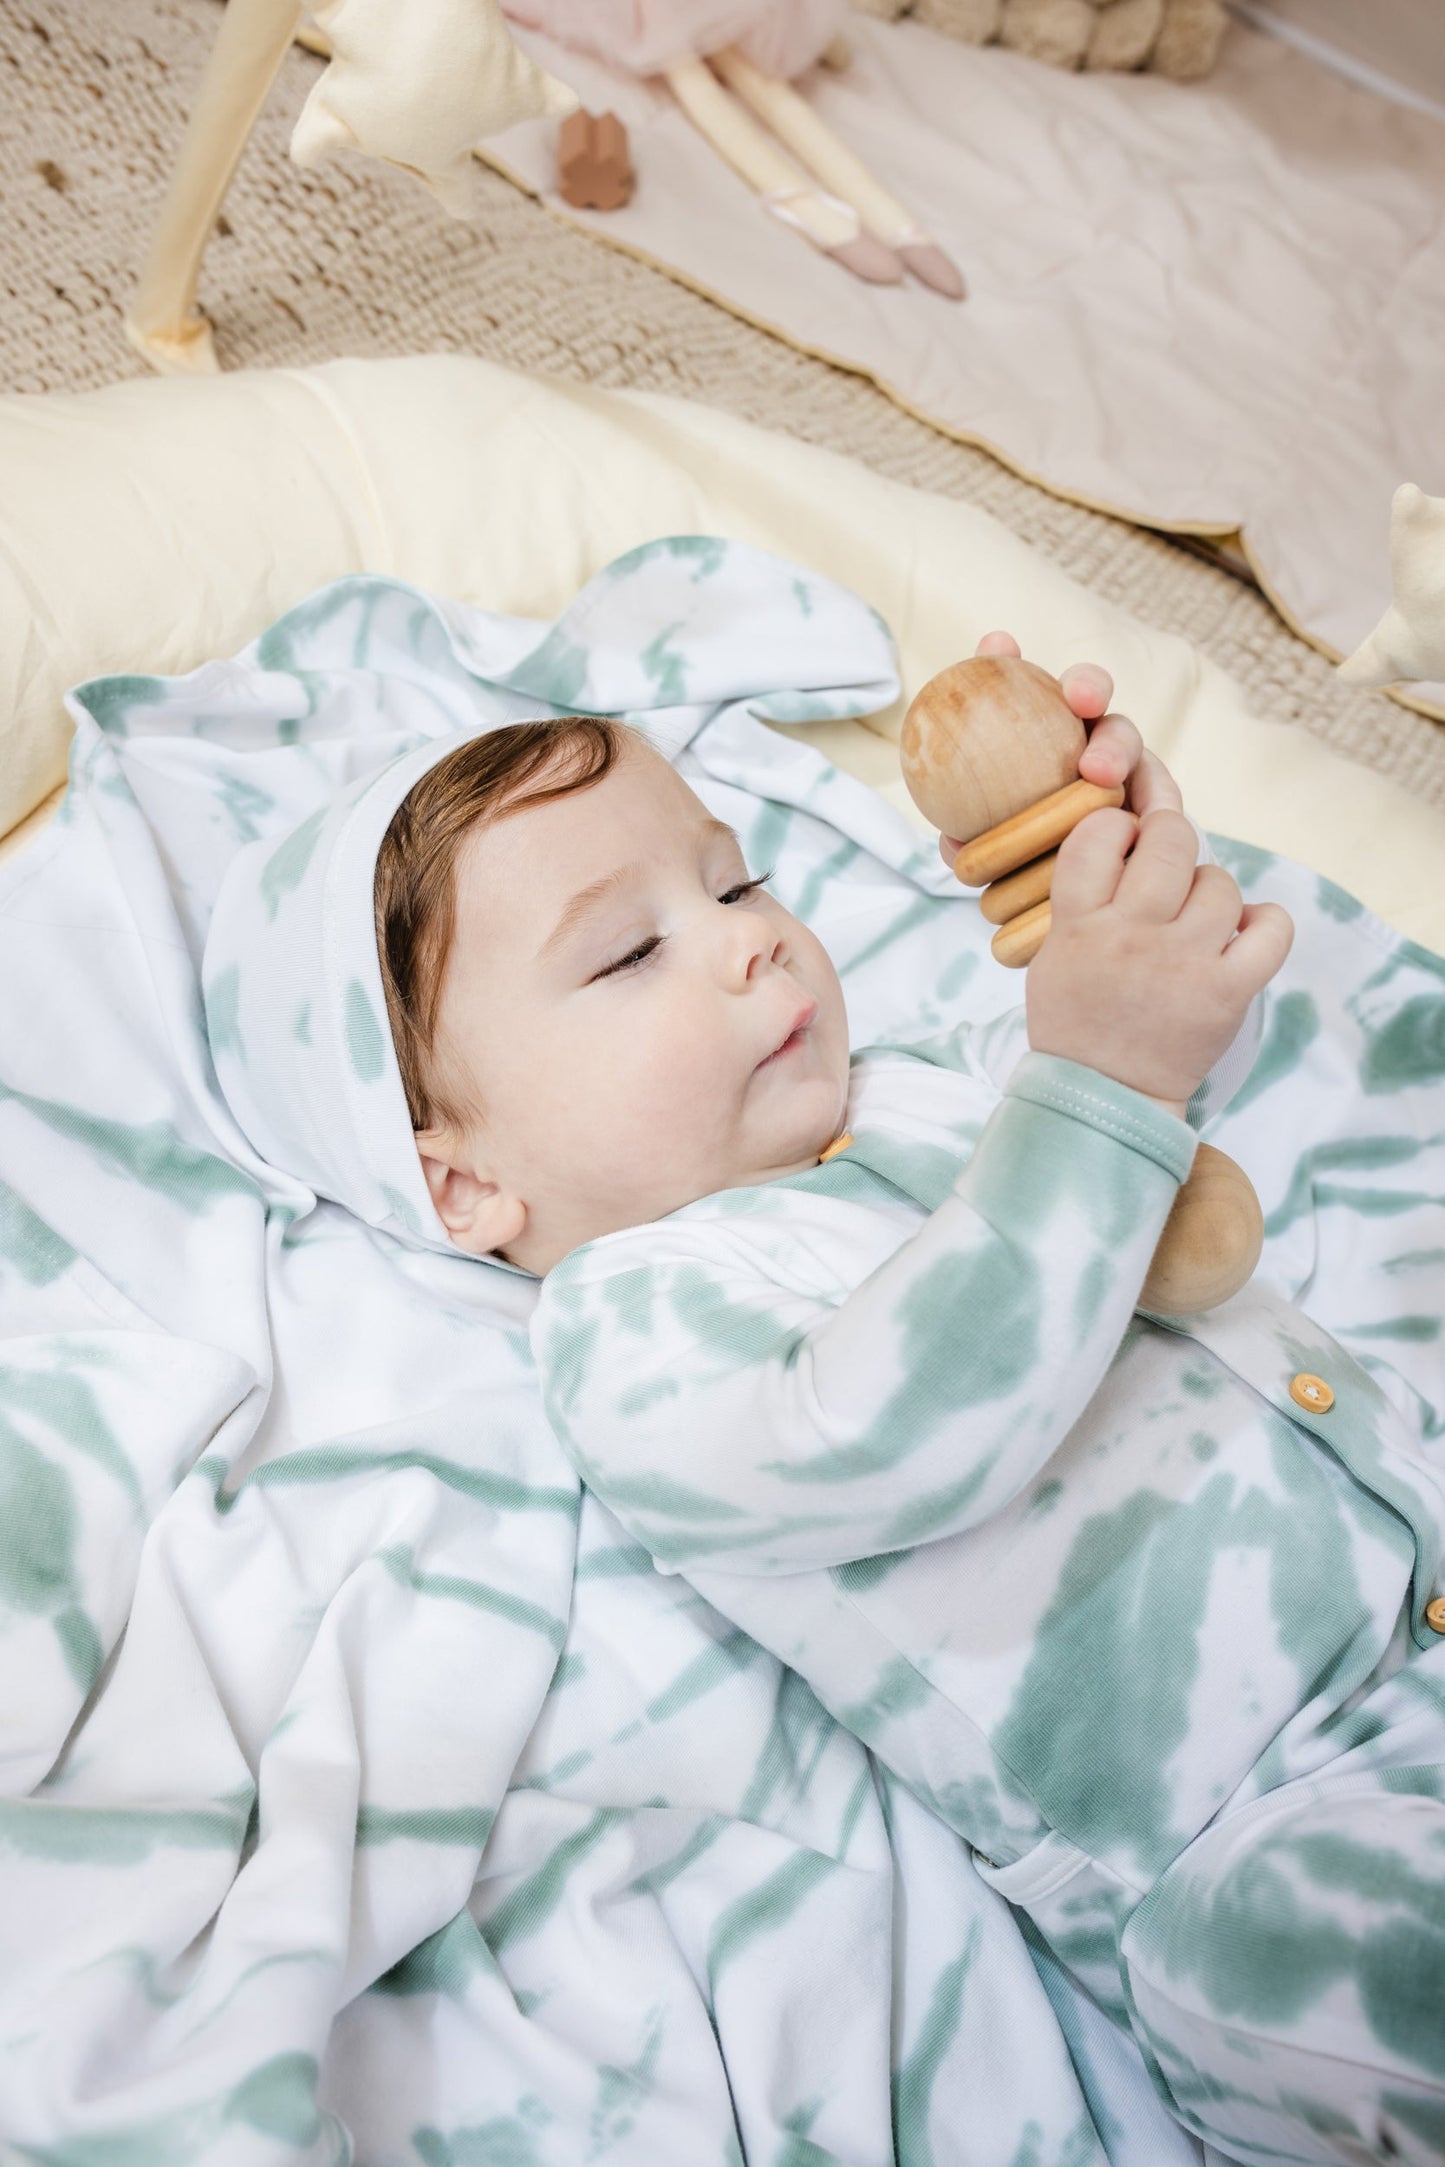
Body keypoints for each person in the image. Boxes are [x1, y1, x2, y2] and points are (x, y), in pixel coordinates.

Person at [223, 630, 1445, 2167]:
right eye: (625, 954)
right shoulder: (636, 1323)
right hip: (1258, 1836)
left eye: (733, 885)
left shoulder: (926, 1082)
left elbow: (1179, 1116)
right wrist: (1098, 1084)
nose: (750, 942)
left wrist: (1121, 891)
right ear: (458, 1181)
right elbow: (903, 1427)